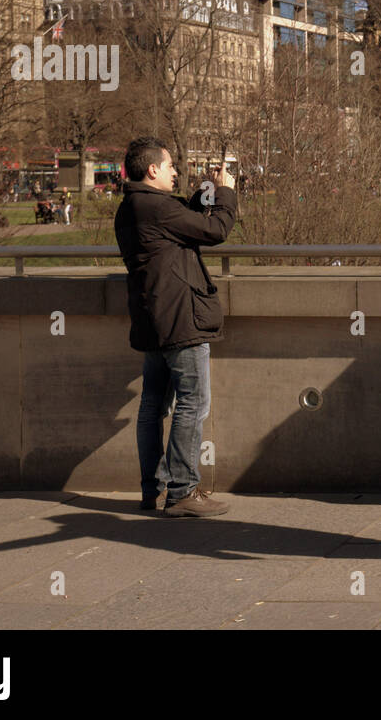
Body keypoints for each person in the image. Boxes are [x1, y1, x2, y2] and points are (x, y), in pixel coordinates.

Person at [114, 137, 237, 517]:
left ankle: (152, 489)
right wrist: (227, 193)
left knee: (153, 406)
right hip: (182, 318)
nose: (175, 172)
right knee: (192, 403)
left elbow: (184, 220)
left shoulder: (132, 207)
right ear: (152, 169)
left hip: (153, 320)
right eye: (170, 167)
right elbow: (214, 230)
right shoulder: (156, 208)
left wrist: (208, 189)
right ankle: (183, 492)